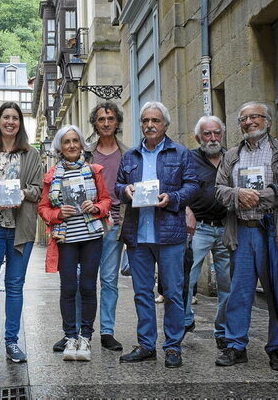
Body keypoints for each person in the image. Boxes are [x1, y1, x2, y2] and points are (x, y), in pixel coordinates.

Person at [214, 102, 278, 372]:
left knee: (277, 291)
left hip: (272, 231)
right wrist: (238, 195)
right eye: (243, 118)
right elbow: (219, 190)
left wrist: (259, 196)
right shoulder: (231, 155)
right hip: (241, 231)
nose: (249, 122)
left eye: (255, 116)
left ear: (267, 121)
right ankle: (236, 346)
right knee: (238, 293)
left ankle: (277, 347)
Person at [115, 101, 198, 368]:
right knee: (141, 292)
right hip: (138, 234)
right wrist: (124, 191)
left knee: (173, 292)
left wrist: (172, 198)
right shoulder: (130, 156)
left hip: (170, 234)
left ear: (165, 125)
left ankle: (173, 347)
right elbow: (117, 185)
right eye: (145, 121)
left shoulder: (181, 153)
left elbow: (193, 185)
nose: (149, 125)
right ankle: (146, 345)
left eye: (155, 121)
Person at [54, 102, 130, 353]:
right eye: (101, 119)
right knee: (77, 281)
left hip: (115, 224)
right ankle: (72, 333)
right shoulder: (85, 154)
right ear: (94, 124)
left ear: (117, 121)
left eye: (110, 118)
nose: (106, 123)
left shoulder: (127, 154)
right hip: (82, 225)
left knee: (108, 280)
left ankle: (107, 332)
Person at [0, 102, 44, 364]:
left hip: (20, 229)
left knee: (15, 287)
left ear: (19, 123)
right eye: (6, 117)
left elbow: (37, 189)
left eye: (15, 117)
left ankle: (12, 342)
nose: (10, 121)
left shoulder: (31, 154)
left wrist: (22, 193)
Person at [38, 125, 111, 361]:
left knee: (88, 288)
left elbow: (106, 200)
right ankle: (71, 337)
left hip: (91, 238)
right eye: (66, 142)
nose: (71, 145)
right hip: (66, 239)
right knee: (68, 288)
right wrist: (57, 214)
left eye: (75, 141)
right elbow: (43, 208)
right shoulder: (51, 175)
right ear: (60, 146)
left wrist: (97, 207)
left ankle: (86, 338)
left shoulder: (94, 171)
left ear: (81, 144)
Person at [183, 116, 231, 349]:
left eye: (216, 133)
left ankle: (222, 330)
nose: (212, 138)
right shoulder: (189, 159)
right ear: (198, 137)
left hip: (227, 228)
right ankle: (184, 320)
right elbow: (177, 187)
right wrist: (186, 208)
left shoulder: (232, 158)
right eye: (207, 134)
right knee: (186, 278)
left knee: (227, 283)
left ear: (222, 135)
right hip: (198, 228)